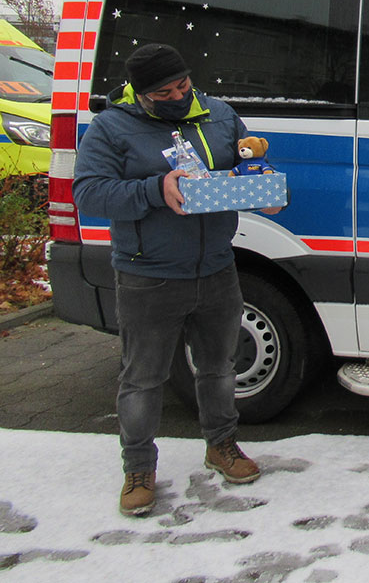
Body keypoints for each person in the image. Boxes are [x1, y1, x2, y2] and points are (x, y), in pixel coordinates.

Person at [74, 43, 272, 517]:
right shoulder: (112, 126)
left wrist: (261, 188)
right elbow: (88, 192)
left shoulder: (219, 115)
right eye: (164, 92)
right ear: (141, 93)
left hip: (216, 266)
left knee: (220, 367)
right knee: (143, 379)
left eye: (182, 84)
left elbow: (243, 162)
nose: (178, 95)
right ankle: (138, 469)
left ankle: (222, 445)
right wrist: (154, 189)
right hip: (149, 273)